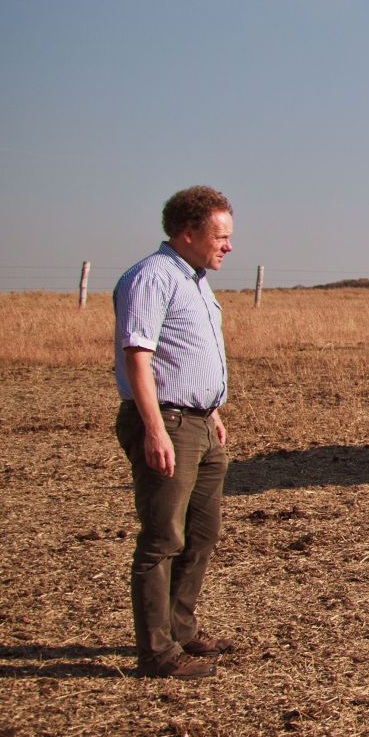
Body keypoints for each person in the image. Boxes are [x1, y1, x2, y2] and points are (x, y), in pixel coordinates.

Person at [112, 186, 236, 679]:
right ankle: (157, 654)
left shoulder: (196, 280)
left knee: (203, 535)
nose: (228, 246)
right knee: (162, 538)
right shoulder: (151, 278)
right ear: (188, 234)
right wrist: (154, 428)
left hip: (201, 423)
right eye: (220, 236)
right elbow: (137, 356)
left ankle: (181, 629)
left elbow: (184, 355)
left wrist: (213, 410)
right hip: (168, 423)